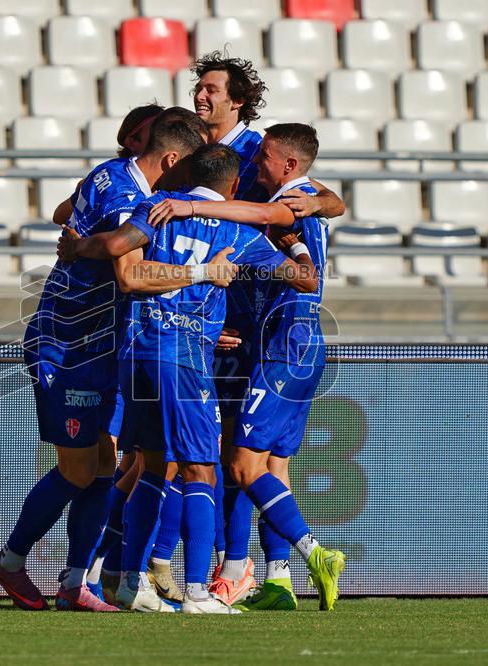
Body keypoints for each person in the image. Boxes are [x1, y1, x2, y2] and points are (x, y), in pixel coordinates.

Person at [61, 143, 317, 614]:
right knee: (201, 467)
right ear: (235, 186)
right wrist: (292, 242)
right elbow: (306, 279)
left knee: (148, 465)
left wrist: (82, 246)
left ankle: (128, 580)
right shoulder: (239, 230)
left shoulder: (153, 211)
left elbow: (129, 270)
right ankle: (198, 592)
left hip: (135, 353)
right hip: (183, 359)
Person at [0, 113, 224, 612]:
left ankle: (76, 584)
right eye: (193, 164)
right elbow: (130, 273)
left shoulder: (110, 175)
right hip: (68, 345)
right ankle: (9, 561)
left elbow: (68, 215)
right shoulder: (127, 196)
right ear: (173, 160)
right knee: (77, 469)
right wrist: (203, 273)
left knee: (101, 467)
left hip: (103, 346)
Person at [147, 124, 345, 612]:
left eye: (266, 160)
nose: (258, 166)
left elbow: (265, 215)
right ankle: (262, 577)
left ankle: (311, 554)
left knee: (238, 464)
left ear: (290, 166)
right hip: (278, 345)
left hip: (287, 346)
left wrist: (192, 206)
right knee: (263, 462)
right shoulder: (298, 197)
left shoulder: (294, 196)